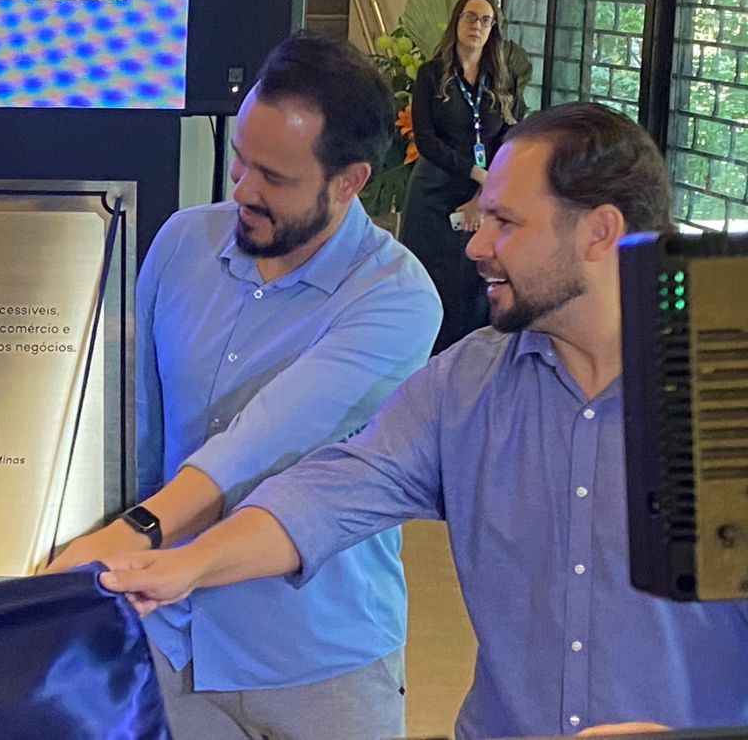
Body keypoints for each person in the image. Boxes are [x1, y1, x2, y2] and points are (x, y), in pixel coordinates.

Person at [96, 103, 748, 739]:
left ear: (599, 232)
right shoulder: (465, 384)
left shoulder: (725, 399)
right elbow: (328, 493)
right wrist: (188, 564)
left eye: (506, 222)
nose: (477, 245)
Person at [49, 32, 442, 740]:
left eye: (274, 177)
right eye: (239, 159)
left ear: (349, 181)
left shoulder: (397, 297)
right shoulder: (183, 242)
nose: (242, 190)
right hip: (170, 640)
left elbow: (265, 439)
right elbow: (137, 429)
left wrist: (137, 532)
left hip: (319, 660)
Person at [402, 0, 520, 354]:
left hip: (485, 194)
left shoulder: (503, 78)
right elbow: (426, 140)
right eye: (470, 17)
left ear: (493, 29)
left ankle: (467, 363)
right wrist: (475, 172)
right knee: (430, 285)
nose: (477, 26)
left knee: (474, 286)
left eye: (486, 20)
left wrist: (483, 192)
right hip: (435, 191)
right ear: (457, 22)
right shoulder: (431, 75)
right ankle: (422, 362)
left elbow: (510, 136)